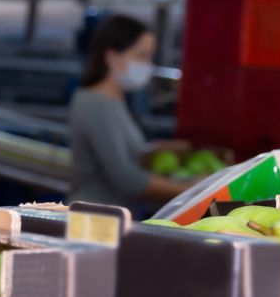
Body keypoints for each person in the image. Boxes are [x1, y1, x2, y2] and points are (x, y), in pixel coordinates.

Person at [69, 14, 190, 208]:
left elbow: (126, 153)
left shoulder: (114, 100)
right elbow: (126, 178)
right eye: (141, 56)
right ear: (111, 56)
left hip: (112, 217)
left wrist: (160, 148)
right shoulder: (96, 103)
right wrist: (190, 191)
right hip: (95, 220)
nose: (147, 65)